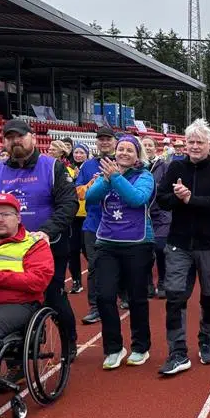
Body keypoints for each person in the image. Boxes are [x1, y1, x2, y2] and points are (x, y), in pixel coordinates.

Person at [0, 120, 78, 359]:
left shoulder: (53, 167)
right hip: (7, 249)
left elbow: (69, 204)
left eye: (20, 136)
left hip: (46, 247)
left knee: (53, 297)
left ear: (33, 138)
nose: (15, 141)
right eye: (10, 137)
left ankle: (69, 340)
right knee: (10, 300)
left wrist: (47, 230)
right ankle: (18, 352)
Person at [156, 119, 210, 376]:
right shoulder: (175, 166)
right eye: (191, 141)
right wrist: (178, 198)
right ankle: (177, 351)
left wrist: (191, 199)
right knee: (175, 295)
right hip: (179, 243)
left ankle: (206, 342)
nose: (195, 146)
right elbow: (163, 200)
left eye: (200, 142)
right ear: (184, 144)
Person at [85, 135, 155, 369]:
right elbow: (90, 198)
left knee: (136, 298)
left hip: (137, 244)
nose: (124, 153)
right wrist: (107, 180)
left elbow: (137, 199)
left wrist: (115, 177)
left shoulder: (144, 176)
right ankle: (114, 348)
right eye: (121, 149)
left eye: (129, 150)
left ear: (137, 155)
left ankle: (140, 346)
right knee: (104, 296)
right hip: (107, 243)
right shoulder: (104, 176)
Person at [0, 193, 54, 418]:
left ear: (18, 218)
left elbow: (38, 281)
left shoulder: (34, 244)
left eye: (5, 214)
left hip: (17, 303)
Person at [77, 126, 118, 324]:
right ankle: (95, 306)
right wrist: (90, 186)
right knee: (94, 266)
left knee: (121, 264)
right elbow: (79, 192)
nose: (104, 142)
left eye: (108, 139)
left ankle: (125, 295)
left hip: (119, 223)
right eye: (101, 139)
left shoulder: (123, 162)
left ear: (114, 141)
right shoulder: (87, 166)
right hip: (93, 224)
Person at [142, 137, 171, 299]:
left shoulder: (164, 166)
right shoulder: (137, 166)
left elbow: (167, 186)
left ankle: (162, 281)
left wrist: (151, 187)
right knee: (145, 251)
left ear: (155, 148)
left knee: (160, 248)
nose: (147, 148)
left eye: (150, 145)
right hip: (142, 214)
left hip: (161, 213)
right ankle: (147, 283)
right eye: (144, 145)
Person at [68, 143, 90, 294]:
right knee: (73, 250)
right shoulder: (67, 170)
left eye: (81, 152)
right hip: (73, 216)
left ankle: (98, 275)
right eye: (76, 152)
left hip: (88, 215)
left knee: (88, 250)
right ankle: (76, 280)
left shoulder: (89, 169)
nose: (78, 155)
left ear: (87, 155)